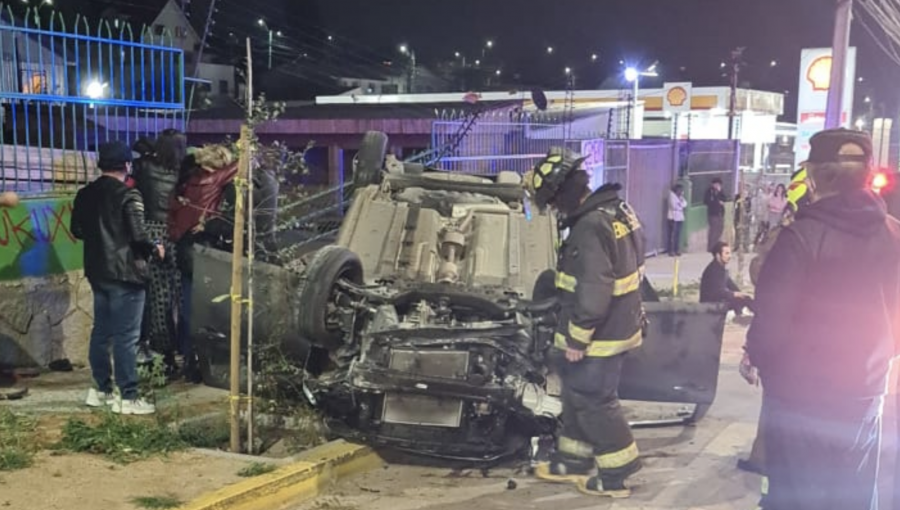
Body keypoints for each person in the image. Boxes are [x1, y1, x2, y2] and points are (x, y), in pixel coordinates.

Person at [746, 128, 900, 510]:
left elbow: (771, 324)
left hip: (800, 395)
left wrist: (758, 358)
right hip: (866, 390)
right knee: (851, 491)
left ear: (815, 176)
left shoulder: (800, 238)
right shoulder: (893, 233)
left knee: (794, 494)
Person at [524, 150, 645, 498]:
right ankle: (572, 462)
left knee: (595, 399)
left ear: (561, 194)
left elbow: (594, 288)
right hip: (619, 323)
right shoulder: (617, 209)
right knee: (577, 394)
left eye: (553, 202)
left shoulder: (589, 227)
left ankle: (617, 473)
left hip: (599, 334)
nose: (556, 210)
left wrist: (577, 339)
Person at [70, 141, 164, 415]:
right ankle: (129, 396)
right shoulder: (129, 196)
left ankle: (101, 390)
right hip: (126, 274)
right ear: (126, 165)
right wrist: (155, 248)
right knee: (126, 337)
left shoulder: (85, 194)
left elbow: (77, 229)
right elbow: (139, 236)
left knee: (102, 332)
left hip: (97, 271)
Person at [168, 144, 238, 383]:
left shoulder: (186, 181)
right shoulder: (215, 178)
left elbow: (173, 215)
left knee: (187, 305)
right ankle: (205, 362)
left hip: (183, 247)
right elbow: (242, 166)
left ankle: (187, 358)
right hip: (203, 246)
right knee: (210, 308)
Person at [132, 130, 185, 376]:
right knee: (178, 297)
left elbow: (135, 147)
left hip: (152, 231)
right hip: (176, 232)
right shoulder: (183, 171)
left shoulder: (144, 166)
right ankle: (182, 350)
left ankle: (164, 355)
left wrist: (150, 150)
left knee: (158, 300)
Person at [699, 241, 753, 316]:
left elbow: (731, 285)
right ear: (718, 255)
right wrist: (735, 294)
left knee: (744, 298)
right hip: (710, 304)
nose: (730, 256)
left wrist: (742, 294)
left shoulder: (721, 268)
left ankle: (745, 315)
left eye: (730, 253)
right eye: (726, 253)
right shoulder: (713, 270)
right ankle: (753, 315)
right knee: (738, 298)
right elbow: (719, 292)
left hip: (717, 301)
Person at [704, 177, 729, 253]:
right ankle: (711, 247)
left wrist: (720, 192)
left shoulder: (720, 191)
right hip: (713, 213)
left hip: (720, 213)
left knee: (719, 230)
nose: (717, 186)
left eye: (719, 184)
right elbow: (706, 201)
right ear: (713, 184)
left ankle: (716, 246)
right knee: (713, 231)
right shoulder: (709, 191)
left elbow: (725, 199)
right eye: (716, 184)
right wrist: (717, 202)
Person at [666, 183, 687, 256]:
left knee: (678, 235)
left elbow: (685, 204)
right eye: (680, 190)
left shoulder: (680, 197)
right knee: (672, 235)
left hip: (680, 217)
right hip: (673, 218)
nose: (681, 191)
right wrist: (681, 205)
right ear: (676, 190)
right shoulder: (672, 196)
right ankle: (671, 250)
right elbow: (674, 206)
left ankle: (677, 249)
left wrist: (681, 204)